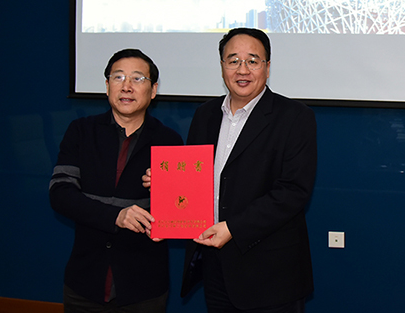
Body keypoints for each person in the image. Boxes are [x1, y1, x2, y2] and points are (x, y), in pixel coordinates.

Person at [145, 28, 317, 312]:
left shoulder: (295, 117)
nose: (242, 70)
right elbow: (195, 177)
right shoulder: (205, 114)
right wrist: (166, 183)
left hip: (271, 273)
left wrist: (233, 228)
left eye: (253, 61)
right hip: (216, 267)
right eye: (233, 60)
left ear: (267, 67)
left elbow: (293, 191)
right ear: (222, 66)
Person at [50, 48, 183, 313]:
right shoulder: (81, 131)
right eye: (118, 77)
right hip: (85, 279)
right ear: (107, 85)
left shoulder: (169, 140)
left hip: (143, 285)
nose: (126, 86)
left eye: (137, 79)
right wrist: (116, 216)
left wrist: (166, 192)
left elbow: (181, 210)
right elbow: (60, 193)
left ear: (153, 90)